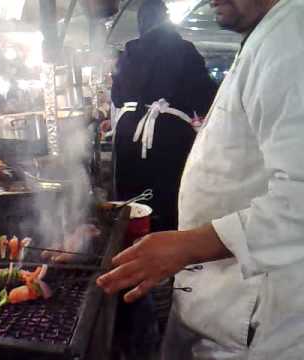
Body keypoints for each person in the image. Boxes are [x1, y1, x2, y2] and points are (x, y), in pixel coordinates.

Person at [97, 0, 304, 359]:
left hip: (252, 316)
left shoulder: (294, 36)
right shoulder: (267, 34)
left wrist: (186, 245)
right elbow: (204, 99)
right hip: (216, 295)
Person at [111, 0, 217, 231]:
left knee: (131, 201)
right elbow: (206, 98)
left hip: (128, 133)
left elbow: (117, 98)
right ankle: (167, 252)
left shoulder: (128, 51)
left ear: (141, 22)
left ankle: (127, 249)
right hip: (169, 135)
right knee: (169, 198)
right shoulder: (184, 49)